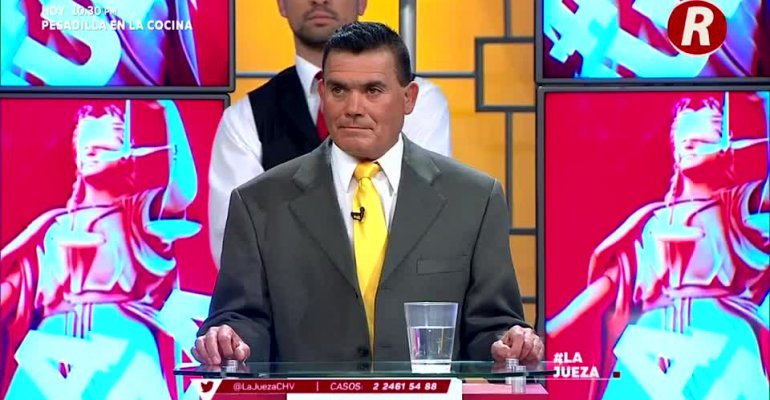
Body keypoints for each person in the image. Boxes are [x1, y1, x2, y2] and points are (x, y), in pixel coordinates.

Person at [193, 22, 542, 366]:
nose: (353, 108)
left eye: (373, 90)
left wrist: (508, 343)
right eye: (339, 90)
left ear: (409, 98)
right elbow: (242, 320)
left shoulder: (473, 200)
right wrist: (227, 340)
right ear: (322, 92)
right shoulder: (259, 203)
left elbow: (491, 325)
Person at [546, 95, 769, 399]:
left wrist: (765, 103)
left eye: (700, 141)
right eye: (684, 141)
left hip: (720, 335)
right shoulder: (651, 220)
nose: (689, 147)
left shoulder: (735, 208)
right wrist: (551, 327)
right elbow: (612, 281)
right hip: (649, 344)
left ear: (723, 145)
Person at [208, 0, 452, 265]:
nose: (319, 0)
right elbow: (238, 251)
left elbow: (425, 228)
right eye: (337, 90)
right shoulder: (245, 119)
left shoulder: (420, 102)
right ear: (281, 4)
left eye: (372, 91)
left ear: (362, 2)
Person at [0, 100, 197, 399]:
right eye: (85, 147)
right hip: (47, 352)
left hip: (122, 345)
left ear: (126, 153)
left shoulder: (137, 216)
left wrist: (169, 108)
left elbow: (183, 190)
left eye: (102, 147)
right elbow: (12, 288)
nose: (90, 153)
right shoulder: (52, 227)